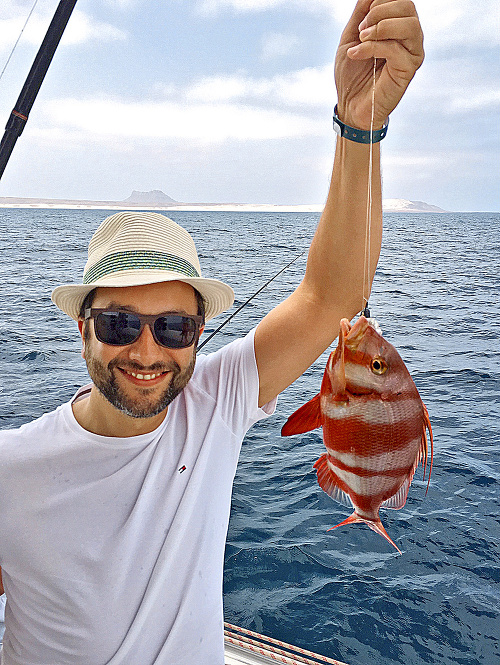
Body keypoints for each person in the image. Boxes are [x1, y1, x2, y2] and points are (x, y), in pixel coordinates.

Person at [0, 1, 424, 663]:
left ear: (199, 331)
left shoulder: (215, 402)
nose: (147, 350)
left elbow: (331, 295)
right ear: (82, 325)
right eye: (119, 323)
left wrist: (360, 123)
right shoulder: (10, 469)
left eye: (173, 326)